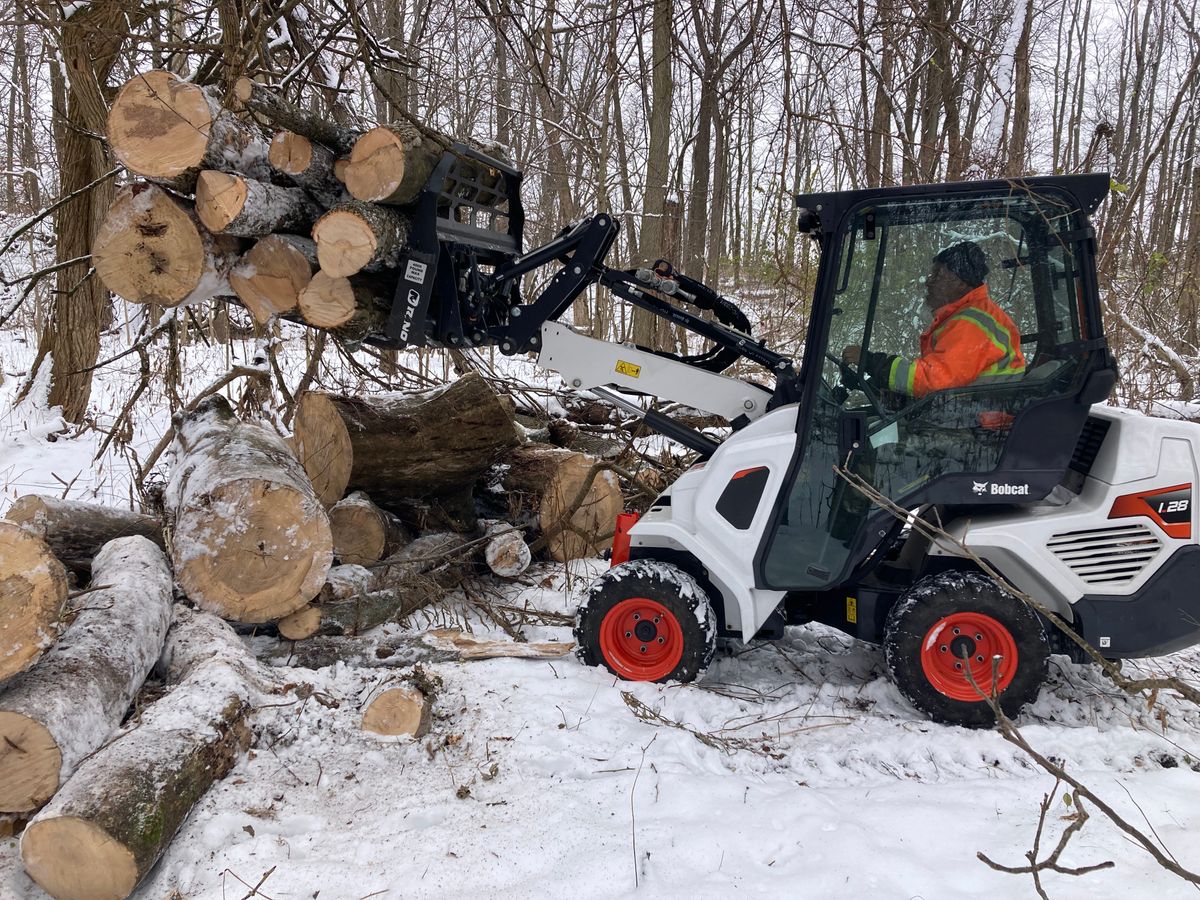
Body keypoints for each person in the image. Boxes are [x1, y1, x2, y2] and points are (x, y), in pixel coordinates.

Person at [842, 241, 1026, 398]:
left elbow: (933, 381)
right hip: (968, 413)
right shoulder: (966, 316)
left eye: (938, 275)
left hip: (978, 424)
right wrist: (880, 385)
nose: (928, 281)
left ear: (961, 283)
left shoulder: (972, 324)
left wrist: (873, 362)